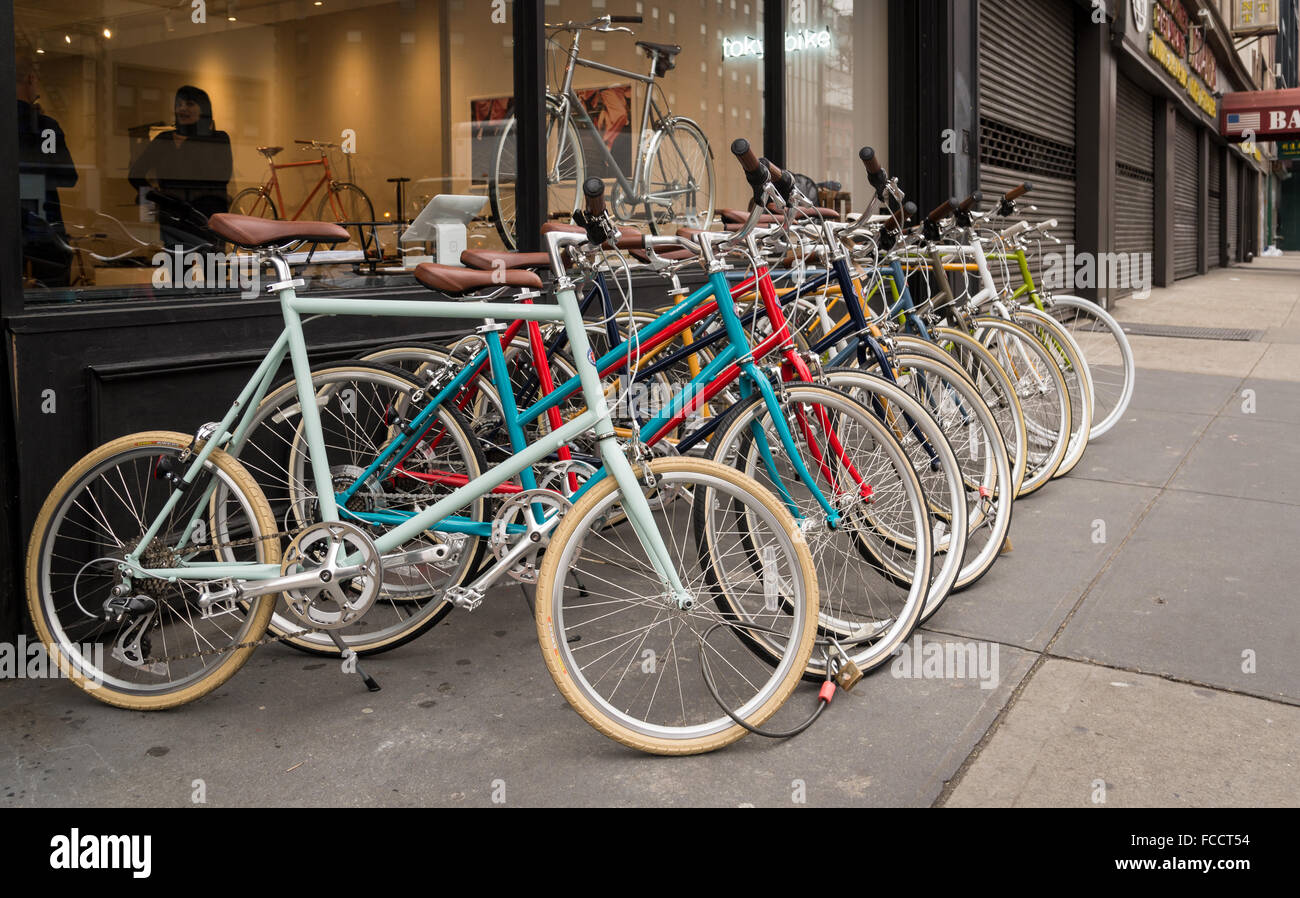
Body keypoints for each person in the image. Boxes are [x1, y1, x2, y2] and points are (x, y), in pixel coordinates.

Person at [128, 85, 232, 256]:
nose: (182, 108)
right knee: (178, 276)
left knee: (214, 276)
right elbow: (136, 174)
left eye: (190, 104)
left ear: (203, 110)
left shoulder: (218, 139)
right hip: (174, 219)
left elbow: (222, 176)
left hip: (208, 218)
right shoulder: (164, 139)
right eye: (179, 104)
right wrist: (154, 199)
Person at [17, 53, 78, 287]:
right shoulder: (45, 127)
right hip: (41, 222)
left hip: (13, 223)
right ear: (31, 79)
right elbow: (67, 176)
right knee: (53, 287)